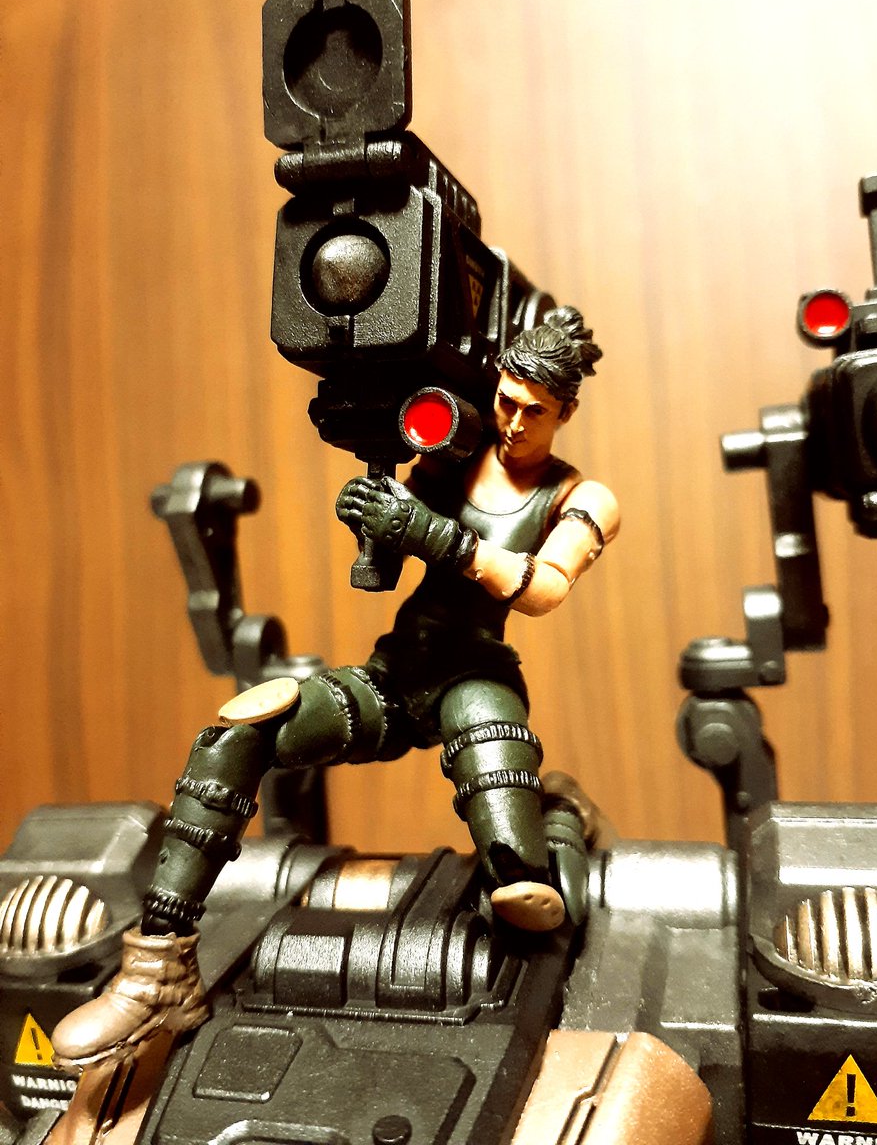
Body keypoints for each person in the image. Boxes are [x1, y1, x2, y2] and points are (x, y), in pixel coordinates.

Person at [51, 305, 620, 1069]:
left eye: (535, 411)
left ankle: (558, 817)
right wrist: (373, 520)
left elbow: (543, 588)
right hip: (395, 673)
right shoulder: (455, 454)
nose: (514, 422)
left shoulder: (580, 496)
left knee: (525, 897)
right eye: (507, 400)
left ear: (566, 413)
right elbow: (393, 549)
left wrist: (438, 536)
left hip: (477, 681)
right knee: (238, 735)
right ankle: (159, 970)